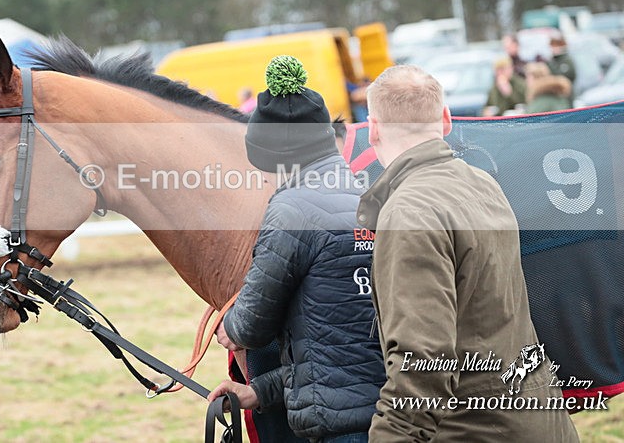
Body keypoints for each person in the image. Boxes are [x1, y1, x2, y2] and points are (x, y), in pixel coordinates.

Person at [356, 64, 579, 442]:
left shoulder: (410, 212)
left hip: (477, 428)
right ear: (446, 120)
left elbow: (422, 366)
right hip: (535, 418)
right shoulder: (482, 183)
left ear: (373, 128)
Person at [208, 55, 384, 443]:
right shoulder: (368, 194)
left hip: (340, 428)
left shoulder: (291, 209)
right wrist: (258, 392)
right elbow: (337, 343)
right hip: (387, 414)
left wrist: (229, 325)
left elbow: (252, 326)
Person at [546, 32, 576, 102]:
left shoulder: (566, 60)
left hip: (567, 93)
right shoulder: (551, 61)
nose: (554, 48)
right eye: (552, 46)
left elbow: (570, 75)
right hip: (554, 94)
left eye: (556, 45)